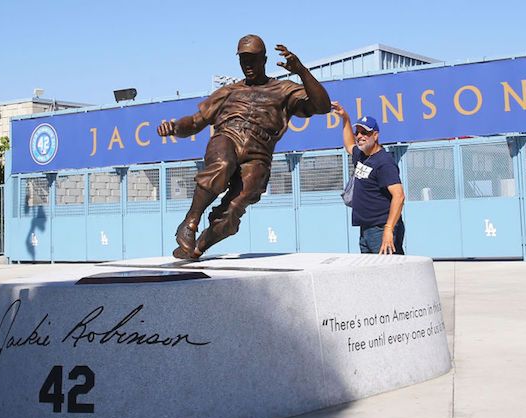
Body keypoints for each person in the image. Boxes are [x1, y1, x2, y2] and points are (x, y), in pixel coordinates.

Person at [157, 34, 331, 259]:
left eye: (253, 59)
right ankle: (190, 223)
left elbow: (323, 106)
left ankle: (198, 247)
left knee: (232, 213)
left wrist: (301, 71)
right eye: (243, 60)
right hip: (228, 137)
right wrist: (174, 127)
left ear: (264, 59)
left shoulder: (284, 89)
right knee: (223, 164)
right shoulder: (229, 91)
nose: (247, 65)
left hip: (258, 154)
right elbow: (196, 121)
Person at [331, 101, 405, 254]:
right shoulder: (361, 155)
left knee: (388, 273)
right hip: (366, 229)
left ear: (375, 135)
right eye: (357, 132)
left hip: (380, 228)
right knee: (371, 274)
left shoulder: (384, 162)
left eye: (365, 133)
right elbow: (349, 145)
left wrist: (388, 229)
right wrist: (345, 118)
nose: (359, 136)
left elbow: (399, 196)